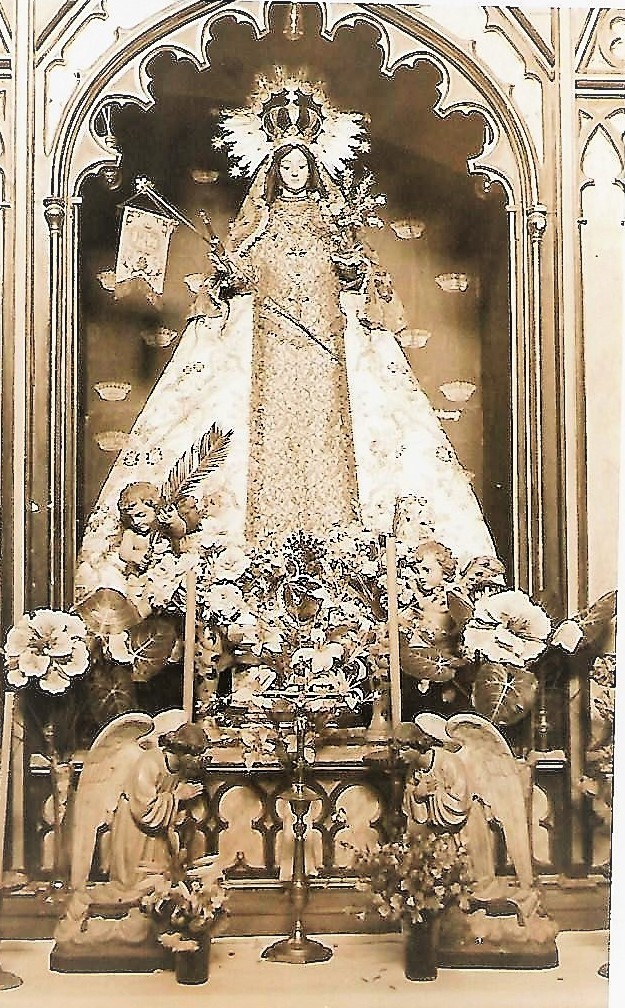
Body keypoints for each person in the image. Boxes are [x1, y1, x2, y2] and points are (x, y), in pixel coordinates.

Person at [75, 73, 497, 607]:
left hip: (330, 360)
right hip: (263, 360)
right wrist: (230, 276)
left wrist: (353, 266)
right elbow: (229, 283)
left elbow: (363, 282)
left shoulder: (334, 223)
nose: (295, 175)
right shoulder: (257, 228)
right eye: (287, 168)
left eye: (302, 167)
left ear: (314, 170)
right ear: (274, 172)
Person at [106, 721, 209, 890]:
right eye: (195, 755)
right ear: (181, 751)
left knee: (158, 878)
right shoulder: (150, 764)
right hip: (135, 826)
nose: (198, 760)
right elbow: (144, 809)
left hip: (158, 828)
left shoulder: (180, 768)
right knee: (134, 881)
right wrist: (177, 797)